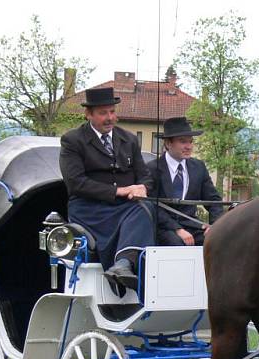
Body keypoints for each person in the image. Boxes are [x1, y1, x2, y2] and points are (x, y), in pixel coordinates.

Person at [59, 87, 154, 291]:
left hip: (126, 207)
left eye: (112, 112)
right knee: (139, 212)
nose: (110, 118)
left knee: (147, 209)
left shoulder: (129, 139)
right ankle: (122, 265)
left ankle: (123, 265)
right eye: (103, 113)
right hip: (89, 208)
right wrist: (119, 191)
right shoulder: (73, 140)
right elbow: (76, 183)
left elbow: (144, 174)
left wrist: (142, 188)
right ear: (88, 114)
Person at [146, 117, 223, 246]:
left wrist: (215, 226)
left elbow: (214, 200)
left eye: (191, 142)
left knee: (217, 241)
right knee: (176, 242)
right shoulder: (152, 168)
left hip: (192, 225)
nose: (189, 147)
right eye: (183, 142)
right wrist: (177, 229)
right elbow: (152, 206)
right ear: (168, 144)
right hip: (164, 227)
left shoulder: (198, 167)